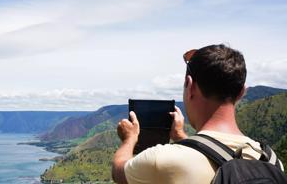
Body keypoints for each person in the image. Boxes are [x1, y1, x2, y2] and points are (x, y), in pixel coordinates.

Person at [112, 44, 284, 184]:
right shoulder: (271, 161)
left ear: (190, 85)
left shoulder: (164, 159)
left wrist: (130, 139)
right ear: (241, 93)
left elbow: (118, 170)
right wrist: (181, 137)